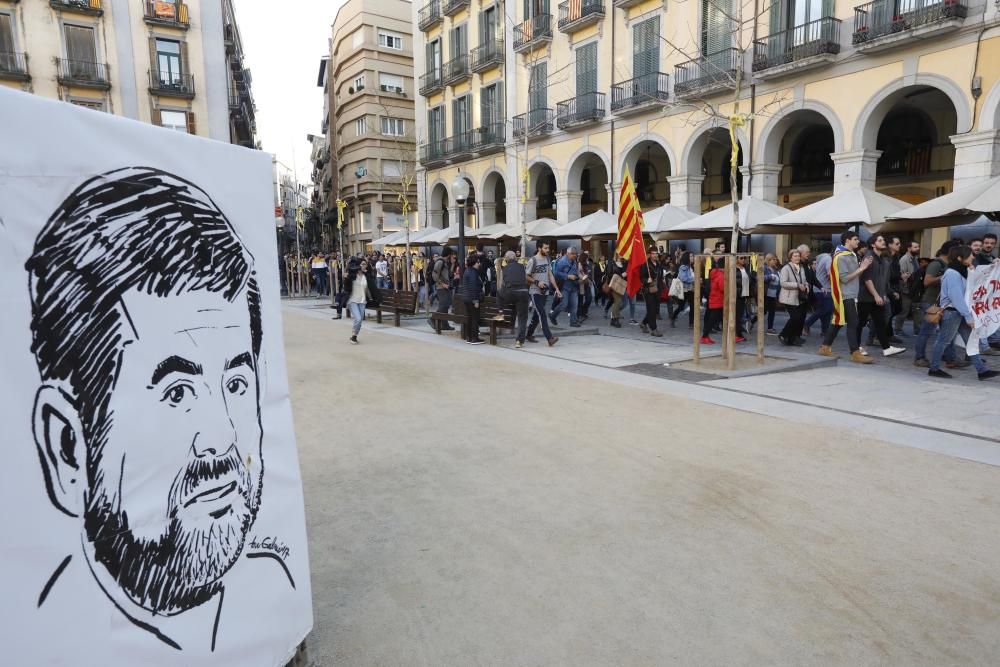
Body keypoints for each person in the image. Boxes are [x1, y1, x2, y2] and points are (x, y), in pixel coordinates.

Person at [25, 167, 291, 651]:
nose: (222, 436)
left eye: (235, 382)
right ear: (68, 446)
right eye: (177, 393)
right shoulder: (50, 643)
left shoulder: (275, 583)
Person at [928, 245, 998, 380]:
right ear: (960, 258)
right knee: (943, 341)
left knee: (970, 341)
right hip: (953, 312)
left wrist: (993, 265)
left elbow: (979, 279)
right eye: (970, 254)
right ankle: (934, 368)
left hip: (957, 312)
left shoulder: (961, 271)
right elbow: (957, 297)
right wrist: (968, 316)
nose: (973, 256)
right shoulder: (953, 273)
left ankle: (982, 370)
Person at [819, 232, 873, 363]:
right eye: (855, 239)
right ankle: (854, 352)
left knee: (838, 323)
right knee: (853, 323)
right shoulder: (841, 257)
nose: (858, 242)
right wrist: (862, 268)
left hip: (850, 294)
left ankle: (825, 347)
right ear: (847, 240)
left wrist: (861, 268)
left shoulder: (851, 254)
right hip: (845, 295)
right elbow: (844, 278)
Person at [856, 233, 906, 357]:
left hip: (876, 296)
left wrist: (884, 293)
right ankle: (856, 347)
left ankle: (886, 348)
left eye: (883, 240)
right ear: (873, 244)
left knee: (880, 322)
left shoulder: (882, 259)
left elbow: (882, 279)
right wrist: (877, 295)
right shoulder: (869, 257)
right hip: (866, 297)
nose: (883, 242)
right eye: (879, 240)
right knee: (860, 323)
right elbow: (867, 279)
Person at [525, 241, 561, 346]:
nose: (547, 250)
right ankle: (550, 338)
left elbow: (550, 275)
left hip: (545, 292)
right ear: (539, 248)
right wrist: (537, 282)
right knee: (542, 314)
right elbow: (526, 276)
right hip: (534, 292)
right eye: (545, 248)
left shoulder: (547, 259)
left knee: (537, 315)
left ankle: (529, 334)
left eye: (548, 248)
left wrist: (557, 289)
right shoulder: (533, 260)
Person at [498, 250, 530, 348]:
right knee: (522, 318)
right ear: (515, 258)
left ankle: (500, 313)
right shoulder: (522, 267)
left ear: (506, 259)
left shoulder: (504, 268)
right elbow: (525, 280)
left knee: (499, 292)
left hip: (510, 294)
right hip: (523, 293)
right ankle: (519, 342)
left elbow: (501, 284)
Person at [778, 249, 808, 346]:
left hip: (799, 297)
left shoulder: (801, 268)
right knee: (795, 317)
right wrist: (797, 285)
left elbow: (804, 281)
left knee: (799, 318)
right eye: (795, 256)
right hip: (788, 297)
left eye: (798, 256)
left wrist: (807, 286)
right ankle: (783, 334)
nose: (797, 258)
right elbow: (783, 283)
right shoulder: (786, 268)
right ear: (790, 257)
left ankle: (792, 338)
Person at [804, 242, 833, 337]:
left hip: (818, 288)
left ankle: (825, 331)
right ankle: (807, 323)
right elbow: (829, 273)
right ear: (831, 250)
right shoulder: (828, 258)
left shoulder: (818, 258)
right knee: (826, 309)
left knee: (826, 311)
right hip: (825, 288)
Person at [550, 246, 581, 327]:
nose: (574, 255)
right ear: (567, 254)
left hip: (573, 285)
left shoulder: (574, 261)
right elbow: (556, 273)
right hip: (564, 286)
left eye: (575, 254)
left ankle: (573, 322)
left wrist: (579, 276)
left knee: (574, 304)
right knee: (564, 304)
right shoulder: (562, 261)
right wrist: (568, 276)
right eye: (572, 254)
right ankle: (552, 315)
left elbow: (575, 271)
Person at [345, 258, 372, 344]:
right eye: (363, 264)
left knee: (360, 320)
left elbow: (367, 288)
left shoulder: (366, 276)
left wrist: (371, 298)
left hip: (362, 300)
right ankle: (353, 336)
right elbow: (345, 285)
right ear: (358, 265)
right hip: (352, 300)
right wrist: (345, 277)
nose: (365, 266)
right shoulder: (352, 276)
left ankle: (354, 335)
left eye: (365, 264)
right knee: (358, 318)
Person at [896, 240, 921, 335]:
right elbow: (901, 275)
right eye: (915, 247)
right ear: (909, 248)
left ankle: (917, 330)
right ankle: (898, 330)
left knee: (917, 310)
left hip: (915, 288)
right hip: (907, 289)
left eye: (918, 247)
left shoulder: (914, 259)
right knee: (904, 310)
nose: (917, 249)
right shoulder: (904, 259)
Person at [459, 254, 485, 344]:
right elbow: (474, 287)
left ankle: (469, 337)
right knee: (475, 318)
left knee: (470, 318)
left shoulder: (467, 271)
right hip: (472, 298)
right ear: (474, 263)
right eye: (478, 262)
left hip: (467, 298)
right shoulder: (473, 272)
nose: (479, 264)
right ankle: (474, 338)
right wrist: (476, 300)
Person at [428, 247, 456, 331]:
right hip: (441, 287)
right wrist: (443, 284)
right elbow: (434, 275)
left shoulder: (446, 262)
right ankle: (432, 319)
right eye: (451, 254)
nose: (453, 256)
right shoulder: (440, 262)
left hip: (446, 287)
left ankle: (445, 324)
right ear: (449, 254)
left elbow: (449, 275)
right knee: (444, 305)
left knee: (446, 305)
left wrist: (453, 264)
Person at [639, 247, 665, 337]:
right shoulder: (645, 265)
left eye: (656, 253)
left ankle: (643, 323)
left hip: (657, 290)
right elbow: (641, 278)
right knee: (652, 310)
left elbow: (660, 276)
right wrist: (647, 280)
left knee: (653, 310)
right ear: (650, 254)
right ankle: (654, 329)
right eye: (653, 253)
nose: (655, 255)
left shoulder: (658, 264)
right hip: (648, 291)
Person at [700, 257, 725, 345]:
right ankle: (704, 336)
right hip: (718, 300)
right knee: (712, 320)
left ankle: (706, 336)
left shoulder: (715, 273)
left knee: (720, 319)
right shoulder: (721, 275)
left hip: (715, 299)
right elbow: (723, 288)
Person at [670, 252, 696, 328]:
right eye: (691, 256)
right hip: (684, 290)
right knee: (681, 307)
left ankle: (691, 323)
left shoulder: (691, 267)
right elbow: (683, 278)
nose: (692, 257)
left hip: (691, 289)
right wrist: (694, 279)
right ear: (687, 258)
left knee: (693, 306)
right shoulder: (683, 267)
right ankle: (673, 318)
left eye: (693, 256)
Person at [604, 253, 627, 328]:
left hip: (621, 285)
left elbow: (625, 275)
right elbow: (609, 274)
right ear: (616, 255)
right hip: (613, 285)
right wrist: (621, 275)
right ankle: (615, 319)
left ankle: (613, 320)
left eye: (622, 254)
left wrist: (625, 274)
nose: (621, 255)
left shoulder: (623, 263)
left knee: (618, 302)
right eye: (620, 254)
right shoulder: (611, 263)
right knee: (618, 301)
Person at [762, 253, 780, 334]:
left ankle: (770, 328)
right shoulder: (765, 268)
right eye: (774, 259)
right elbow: (760, 278)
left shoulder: (775, 269)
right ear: (769, 260)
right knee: (763, 311)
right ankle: (751, 322)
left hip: (773, 294)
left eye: (776, 259)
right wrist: (770, 276)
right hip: (766, 293)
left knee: (772, 311)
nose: (775, 261)